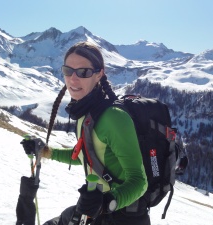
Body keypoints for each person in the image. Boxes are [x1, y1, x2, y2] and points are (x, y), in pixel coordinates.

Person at [22, 41, 149, 225]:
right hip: (97, 209)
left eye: (83, 72)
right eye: (68, 71)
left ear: (99, 75)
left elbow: (139, 181)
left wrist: (107, 203)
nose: (73, 79)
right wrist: (45, 151)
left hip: (124, 214)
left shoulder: (114, 118)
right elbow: (84, 156)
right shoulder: (86, 114)